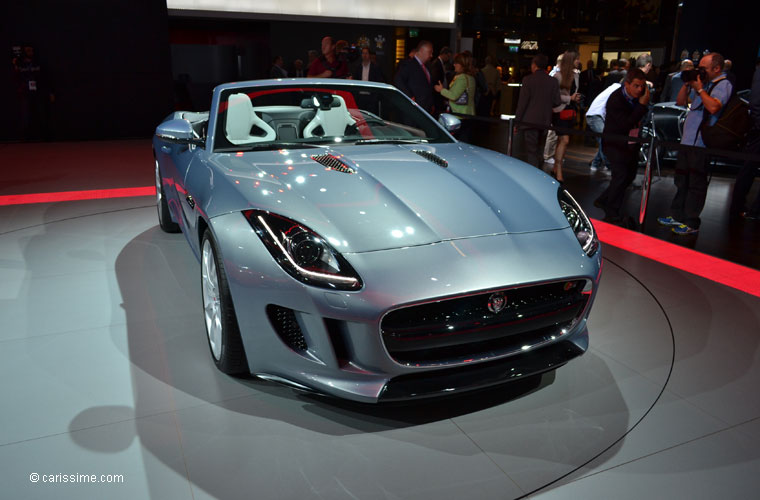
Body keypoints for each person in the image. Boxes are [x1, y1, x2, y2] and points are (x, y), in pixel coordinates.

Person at [657, 52, 733, 235]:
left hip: (701, 144)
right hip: (687, 142)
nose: (701, 71)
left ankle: (691, 222)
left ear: (717, 68)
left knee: (696, 184)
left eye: (704, 69)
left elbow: (714, 106)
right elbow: (681, 102)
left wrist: (700, 89)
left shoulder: (723, 84)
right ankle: (677, 216)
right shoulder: (705, 85)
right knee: (682, 180)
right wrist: (688, 84)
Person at [595, 69, 650, 223]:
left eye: (642, 86)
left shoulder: (637, 99)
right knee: (620, 176)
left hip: (630, 144)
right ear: (627, 84)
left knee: (629, 176)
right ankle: (612, 211)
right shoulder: (616, 99)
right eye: (636, 86)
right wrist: (642, 106)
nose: (640, 90)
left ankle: (604, 199)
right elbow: (625, 124)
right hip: (614, 143)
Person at [514, 54, 562, 168]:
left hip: (529, 121)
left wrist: (517, 122)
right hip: (545, 121)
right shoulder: (553, 81)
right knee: (539, 151)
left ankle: (533, 177)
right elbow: (557, 101)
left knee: (531, 152)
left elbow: (522, 103)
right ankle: (539, 174)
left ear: (534, 65)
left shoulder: (528, 80)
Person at [730, 59, 760, 220]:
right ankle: (739, 207)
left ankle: (754, 210)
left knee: (749, 168)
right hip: (758, 130)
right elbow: (755, 103)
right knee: (748, 168)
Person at [549, 51, 581, 182]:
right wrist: (570, 98)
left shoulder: (576, 76)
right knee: (565, 140)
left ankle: (556, 167)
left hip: (570, 111)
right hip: (559, 111)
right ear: (571, 61)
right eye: (576, 59)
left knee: (562, 141)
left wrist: (575, 99)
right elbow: (554, 97)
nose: (579, 61)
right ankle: (559, 170)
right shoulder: (557, 75)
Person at [394, 40, 435, 114]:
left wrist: (431, 103)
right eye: (430, 52)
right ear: (422, 51)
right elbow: (398, 80)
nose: (431, 55)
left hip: (425, 109)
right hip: (413, 109)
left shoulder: (427, 67)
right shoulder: (408, 64)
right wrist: (409, 96)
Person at [434, 51, 476, 116]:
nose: (454, 65)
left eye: (456, 63)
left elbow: (453, 96)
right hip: (468, 112)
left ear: (462, 65)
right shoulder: (471, 77)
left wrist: (441, 90)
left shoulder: (462, 78)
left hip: (460, 113)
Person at [429, 46, 452, 116]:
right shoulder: (436, 63)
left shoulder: (441, 63)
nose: (448, 58)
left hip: (440, 92)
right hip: (437, 93)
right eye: (448, 56)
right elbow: (435, 79)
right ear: (444, 54)